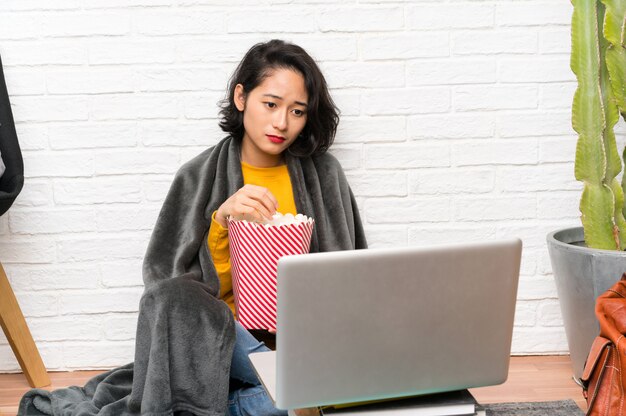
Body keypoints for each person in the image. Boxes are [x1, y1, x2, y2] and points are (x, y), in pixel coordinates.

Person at [209, 39, 367, 416]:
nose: (282, 123)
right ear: (241, 97)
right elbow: (175, 285)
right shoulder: (200, 177)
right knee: (182, 307)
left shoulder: (325, 175)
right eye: (271, 104)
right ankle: (304, 390)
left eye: (297, 111)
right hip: (232, 344)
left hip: (306, 341)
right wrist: (220, 222)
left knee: (276, 407)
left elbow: (353, 275)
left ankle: (291, 396)